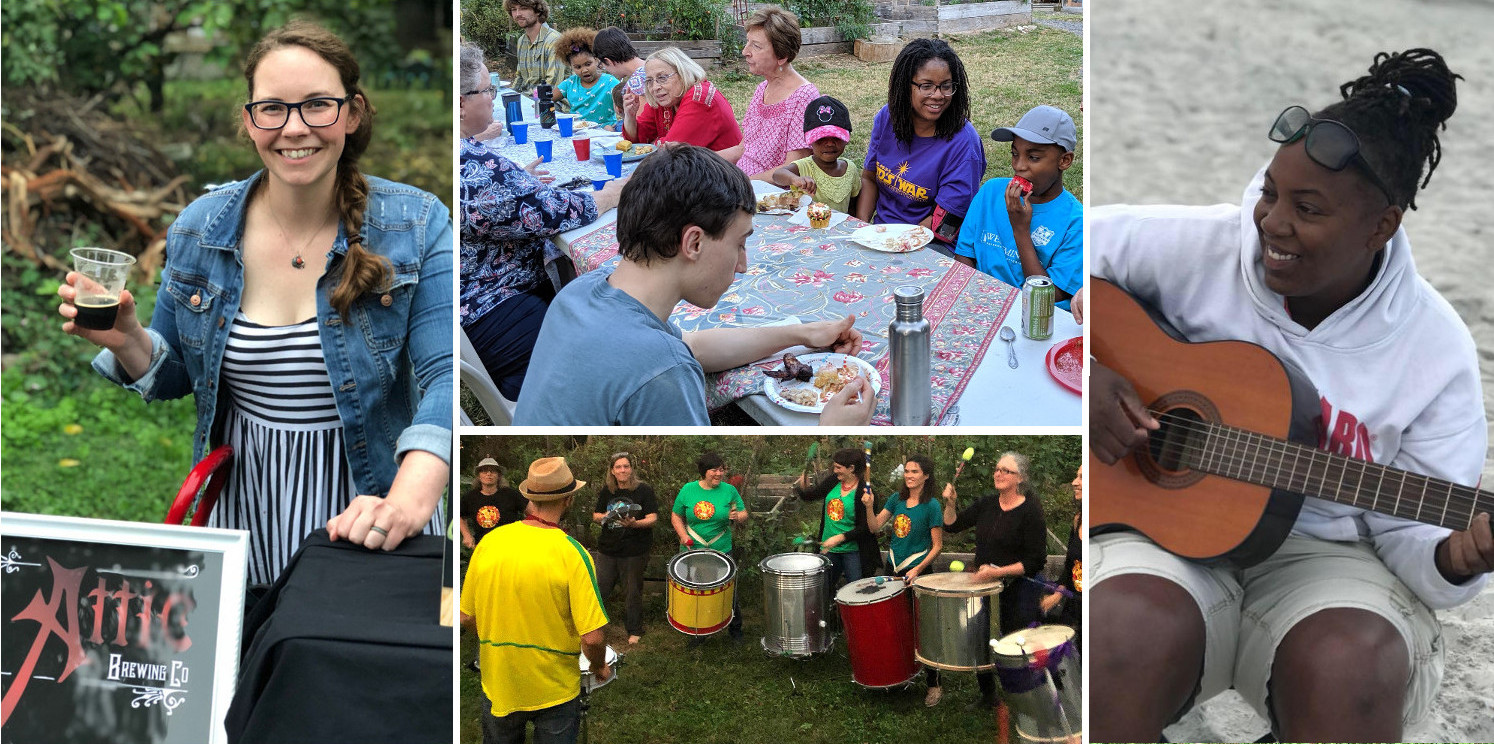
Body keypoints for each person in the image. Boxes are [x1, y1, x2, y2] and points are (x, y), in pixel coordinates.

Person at [1088, 48, 1493, 743]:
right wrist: (1087, 376)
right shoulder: (1197, 244)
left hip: (1329, 560)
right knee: (1122, 632)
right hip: (1157, 530)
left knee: (1353, 670)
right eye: (1272, 192)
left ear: (1381, 228)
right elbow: (1052, 262)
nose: (1272, 222)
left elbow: (1414, 538)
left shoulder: (1435, 348)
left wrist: (1458, 556)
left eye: (1307, 209)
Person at [60, 20, 450, 585]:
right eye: (272, 109)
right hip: (245, 518)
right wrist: (128, 339)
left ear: (353, 113)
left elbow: (442, 378)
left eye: (318, 105)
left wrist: (408, 501)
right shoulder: (200, 228)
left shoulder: (415, 223)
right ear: (249, 121)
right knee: (248, 668)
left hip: (371, 513)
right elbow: (175, 376)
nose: (295, 129)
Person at [513, 144, 875, 425]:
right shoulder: (662, 371)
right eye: (739, 243)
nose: (744, 266)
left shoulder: (586, 289)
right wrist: (831, 432)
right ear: (694, 243)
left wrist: (802, 333)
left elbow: (692, 345)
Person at [458, 42, 626, 401]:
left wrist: (513, 179)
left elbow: (493, 201)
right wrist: (614, 193)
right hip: (489, 306)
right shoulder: (480, 172)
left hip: (467, 303)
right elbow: (558, 211)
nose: (492, 97)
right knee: (602, 337)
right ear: (459, 104)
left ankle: (524, 375)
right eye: (488, 90)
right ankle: (542, 388)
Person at [460, 457, 610, 744]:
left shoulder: (489, 543)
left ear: (529, 497)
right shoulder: (573, 553)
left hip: (500, 681)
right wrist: (598, 666)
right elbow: (592, 639)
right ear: (568, 500)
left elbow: (466, 616)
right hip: (555, 689)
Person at [941, 451, 1049, 708]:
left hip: (1017, 588)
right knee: (979, 639)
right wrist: (951, 504)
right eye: (997, 469)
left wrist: (996, 571)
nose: (998, 474)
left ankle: (1025, 696)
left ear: (1019, 478)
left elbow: (1035, 561)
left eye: (1006, 470)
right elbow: (952, 525)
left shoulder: (1030, 512)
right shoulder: (987, 504)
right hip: (984, 585)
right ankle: (988, 696)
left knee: (1015, 642)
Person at [855, 38, 986, 247]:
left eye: (946, 86)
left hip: (934, 244)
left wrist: (896, 244)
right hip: (882, 236)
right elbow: (869, 179)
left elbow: (947, 220)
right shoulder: (888, 117)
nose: (938, 96)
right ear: (905, 85)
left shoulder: (963, 143)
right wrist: (862, 231)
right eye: (926, 86)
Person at [955, 104, 1082, 310]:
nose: (1019, 166)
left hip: (1037, 320)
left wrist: (1021, 230)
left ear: (1065, 160)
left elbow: (1047, 297)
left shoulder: (1076, 223)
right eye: (1015, 153)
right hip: (978, 306)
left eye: (1033, 157)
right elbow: (965, 256)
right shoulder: (991, 192)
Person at [867, 454, 944, 706]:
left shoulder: (932, 505)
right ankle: (899, 674)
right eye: (907, 471)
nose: (909, 475)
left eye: (915, 471)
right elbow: (874, 527)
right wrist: (868, 506)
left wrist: (919, 569)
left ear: (926, 476)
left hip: (917, 573)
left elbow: (937, 546)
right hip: (893, 569)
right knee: (896, 624)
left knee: (924, 630)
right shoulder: (896, 499)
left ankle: (934, 684)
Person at [717, 6, 819, 178]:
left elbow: (793, 168)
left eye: (756, 46)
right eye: (747, 42)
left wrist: (741, 184)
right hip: (743, 183)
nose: (745, 52)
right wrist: (698, 159)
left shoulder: (804, 97)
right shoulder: (762, 88)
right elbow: (743, 149)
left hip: (772, 197)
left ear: (782, 56)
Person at [670, 452, 747, 640]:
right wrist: (683, 535)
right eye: (714, 470)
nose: (719, 474)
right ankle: (699, 632)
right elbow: (676, 516)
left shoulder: (729, 491)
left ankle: (735, 629)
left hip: (721, 549)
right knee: (696, 592)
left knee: (727, 590)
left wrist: (738, 516)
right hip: (692, 550)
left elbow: (744, 513)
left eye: (721, 470)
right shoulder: (688, 490)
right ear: (704, 472)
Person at [591, 452, 658, 645]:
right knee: (600, 589)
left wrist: (635, 524)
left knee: (632, 591)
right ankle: (593, 627)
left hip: (634, 550)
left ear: (631, 469)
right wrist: (607, 516)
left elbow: (653, 518)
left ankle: (634, 630)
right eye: (618, 467)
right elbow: (595, 515)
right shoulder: (608, 491)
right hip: (607, 549)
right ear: (612, 471)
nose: (622, 470)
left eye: (626, 466)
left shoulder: (643, 490)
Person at [621, 47, 742, 151]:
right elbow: (637, 142)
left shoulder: (699, 97)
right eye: (649, 81)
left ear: (683, 73)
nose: (655, 87)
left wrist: (653, 143)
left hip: (723, 174)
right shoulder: (667, 98)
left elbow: (672, 150)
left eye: (662, 77)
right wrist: (630, 117)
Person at [794, 448, 882, 590]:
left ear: (851, 468)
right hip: (829, 548)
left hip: (853, 551)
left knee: (856, 591)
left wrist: (840, 538)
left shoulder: (865, 492)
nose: (835, 470)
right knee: (823, 590)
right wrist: (803, 487)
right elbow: (811, 495)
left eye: (838, 467)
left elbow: (866, 528)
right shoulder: (834, 481)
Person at [767, 95, 862, 214]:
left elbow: (853, 203)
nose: (829, 144)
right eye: (821, 139)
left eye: (836, 138)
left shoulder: (850, 169)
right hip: (807, 229)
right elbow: (778, 175)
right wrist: (795, 179)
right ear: (809, 140)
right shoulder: (804, 167)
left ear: (846, 139)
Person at [1040, 465, 1081, 646]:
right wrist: (1059, 592)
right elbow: (1072, 565)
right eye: (1076, 476)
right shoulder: (1078, 519)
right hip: (1075, 606)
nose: (1075, 482)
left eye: (1082, 477)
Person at [552, 28, 621, 129]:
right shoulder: (570, 83)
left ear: (597, 60)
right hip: (577, 131)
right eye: (578, 67)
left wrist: (616, 126)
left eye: (588, 64)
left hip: (604, 131)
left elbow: (625, 106)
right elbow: (548, 99)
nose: (584, 70)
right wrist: (540, 102)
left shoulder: (610, 82)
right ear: (571, 66)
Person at [461, 457, 527, 549]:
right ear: (479, 476)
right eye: (484, 471)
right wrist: (466, 535)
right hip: (482, 547)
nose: (489, 474)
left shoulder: (511, 494)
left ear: (499, 475)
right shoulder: (470, 497)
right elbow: (460, 515)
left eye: (493, 471)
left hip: (510, 546)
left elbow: (531, 511)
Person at [506, 0, 566, 95]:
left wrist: (526, 98)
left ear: (538, 11)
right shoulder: (522, 41)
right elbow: (520, 77)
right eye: (514, 9)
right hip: (527, 99)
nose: (517, 14)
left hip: (553, 102)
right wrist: (510, 95)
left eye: (523, 8)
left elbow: (553, 84)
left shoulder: (554, 40)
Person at [593, 27, 648, 99]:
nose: (605, 69)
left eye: (602, 65)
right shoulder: (656, 65)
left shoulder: (634, 87)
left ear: (609, 61)